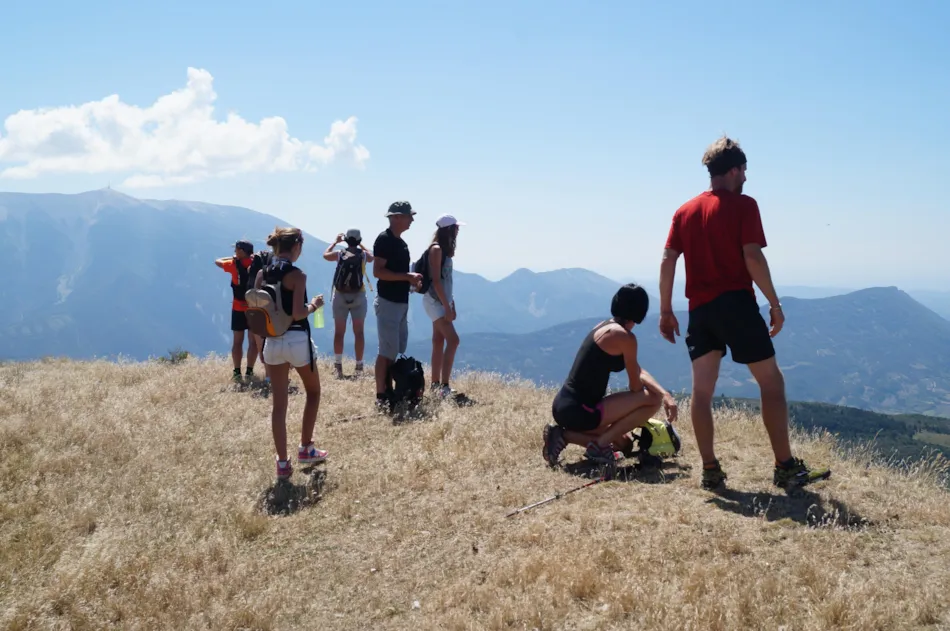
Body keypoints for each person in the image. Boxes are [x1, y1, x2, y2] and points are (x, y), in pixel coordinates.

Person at [658, 135, 830, 491]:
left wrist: (665, 310)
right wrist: (775, 304)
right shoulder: (744, 206)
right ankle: (785, 467)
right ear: (734, 170)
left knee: (702, 392)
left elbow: (668, 259)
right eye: (745, 171)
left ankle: (710, 469)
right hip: (736, 304)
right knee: (771, 383)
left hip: (699, 310)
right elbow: (752, 256)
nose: (747, 178)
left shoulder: (684, 211)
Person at [542, 284, 678, 468]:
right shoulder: (625, 338)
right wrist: (657, 396)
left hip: (566, 405)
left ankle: (562, 435)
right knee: (653, 399)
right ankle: (599, 445)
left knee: (625, 445)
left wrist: (665, 393)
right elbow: (636, 387)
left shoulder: (606, 326)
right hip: (582, 409)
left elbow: (637, 370)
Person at [253, 226, 327, 480]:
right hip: (297, 340)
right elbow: (298, 313)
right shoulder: (298, 275)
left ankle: (283, 464)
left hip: (272, 342)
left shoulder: (262, 274)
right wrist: (314, 305)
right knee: (313, 392)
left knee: (279, 406)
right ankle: (306, 448)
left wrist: (261, 347)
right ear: (296, 247)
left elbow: (259, 313)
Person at [372, 201, 423, 412]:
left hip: (400, 302)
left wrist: (411, 282)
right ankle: (381, 395)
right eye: (409, 216)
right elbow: (378, 271)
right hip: (388, 302)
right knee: (386, 351)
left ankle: (391, 391)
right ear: (397, 217)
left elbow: (395, 274)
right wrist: (406, 277)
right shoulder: (384, 240)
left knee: (394, 350)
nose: (412, 220)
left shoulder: (401, 243)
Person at [422, 214, 464, 399]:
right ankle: (444, 386)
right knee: (453, 340)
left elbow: (446, 282)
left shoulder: (442, 250)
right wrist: (446, 306)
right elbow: (437, 282)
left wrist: (451, 304)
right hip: (435, 301)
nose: (458, 230)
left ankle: (435, 385)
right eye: (456, 227)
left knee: (438, 341)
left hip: (440, 300)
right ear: (449, 230)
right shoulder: (437, 250)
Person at [323, 228, 374, 380]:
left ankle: (338, 367)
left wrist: (335, 242)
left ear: (346, 240)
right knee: (359, 333)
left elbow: (325, 255)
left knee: (339, 332)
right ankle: (359, 367)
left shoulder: (340, 254)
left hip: (340, 296)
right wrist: (361, 245)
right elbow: (372, 257)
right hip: (358, 296)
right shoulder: (363, 255)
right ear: (359, 240)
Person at [214, 240, 259, 382]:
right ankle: (250, 371)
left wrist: (233, 258)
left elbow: (217, 261)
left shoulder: (233, 264)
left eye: (236, 250)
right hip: (254, 308)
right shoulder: (257, 263)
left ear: (241, 251)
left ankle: (237, 372)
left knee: (237, 342)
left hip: (238, 307)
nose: (234, 252)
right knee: (253, 342)